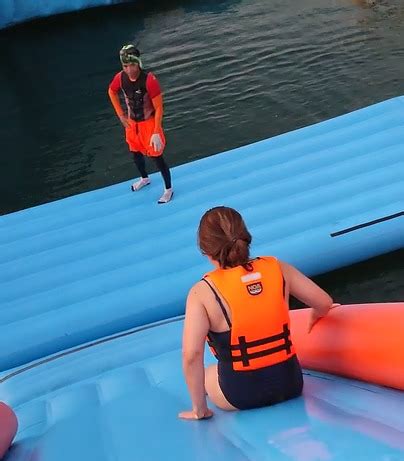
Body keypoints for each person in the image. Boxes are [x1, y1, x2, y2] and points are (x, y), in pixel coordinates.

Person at [179, 206, 336, 420]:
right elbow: (325, 302)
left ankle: (200, 407)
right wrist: (316, 314)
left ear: (206, 251)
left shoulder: (201, 292)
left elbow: (191, 355)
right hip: (290, 383)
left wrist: (200, 409)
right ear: (246, 238)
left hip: (239, 394)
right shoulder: (278, 268)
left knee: (208, 374)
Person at [108, 43, 173, 204]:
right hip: (131, 124)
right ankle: (144, 178)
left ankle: (168, 189)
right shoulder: (120, 78)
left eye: (132, 65)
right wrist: (121, 115)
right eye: (125, 66)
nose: (129, 69)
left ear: (138, 62)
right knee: (135, 153)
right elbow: (111, 91)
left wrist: (157, 130)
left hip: (149, 123)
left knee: (157, 157)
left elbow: (159, 107)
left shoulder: (149, 80)